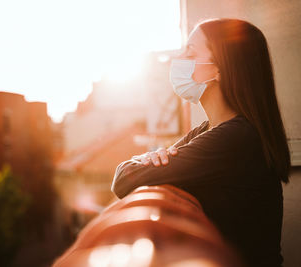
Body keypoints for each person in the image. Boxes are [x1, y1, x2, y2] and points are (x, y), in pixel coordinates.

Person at [111, 18, 291, 267]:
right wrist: (145, 161)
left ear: (219, 69)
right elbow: (125, 176)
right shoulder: (209, 130)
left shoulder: (237, 138)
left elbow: (124, 180)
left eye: (191, 51)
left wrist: (144, 163)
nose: (180, 57)